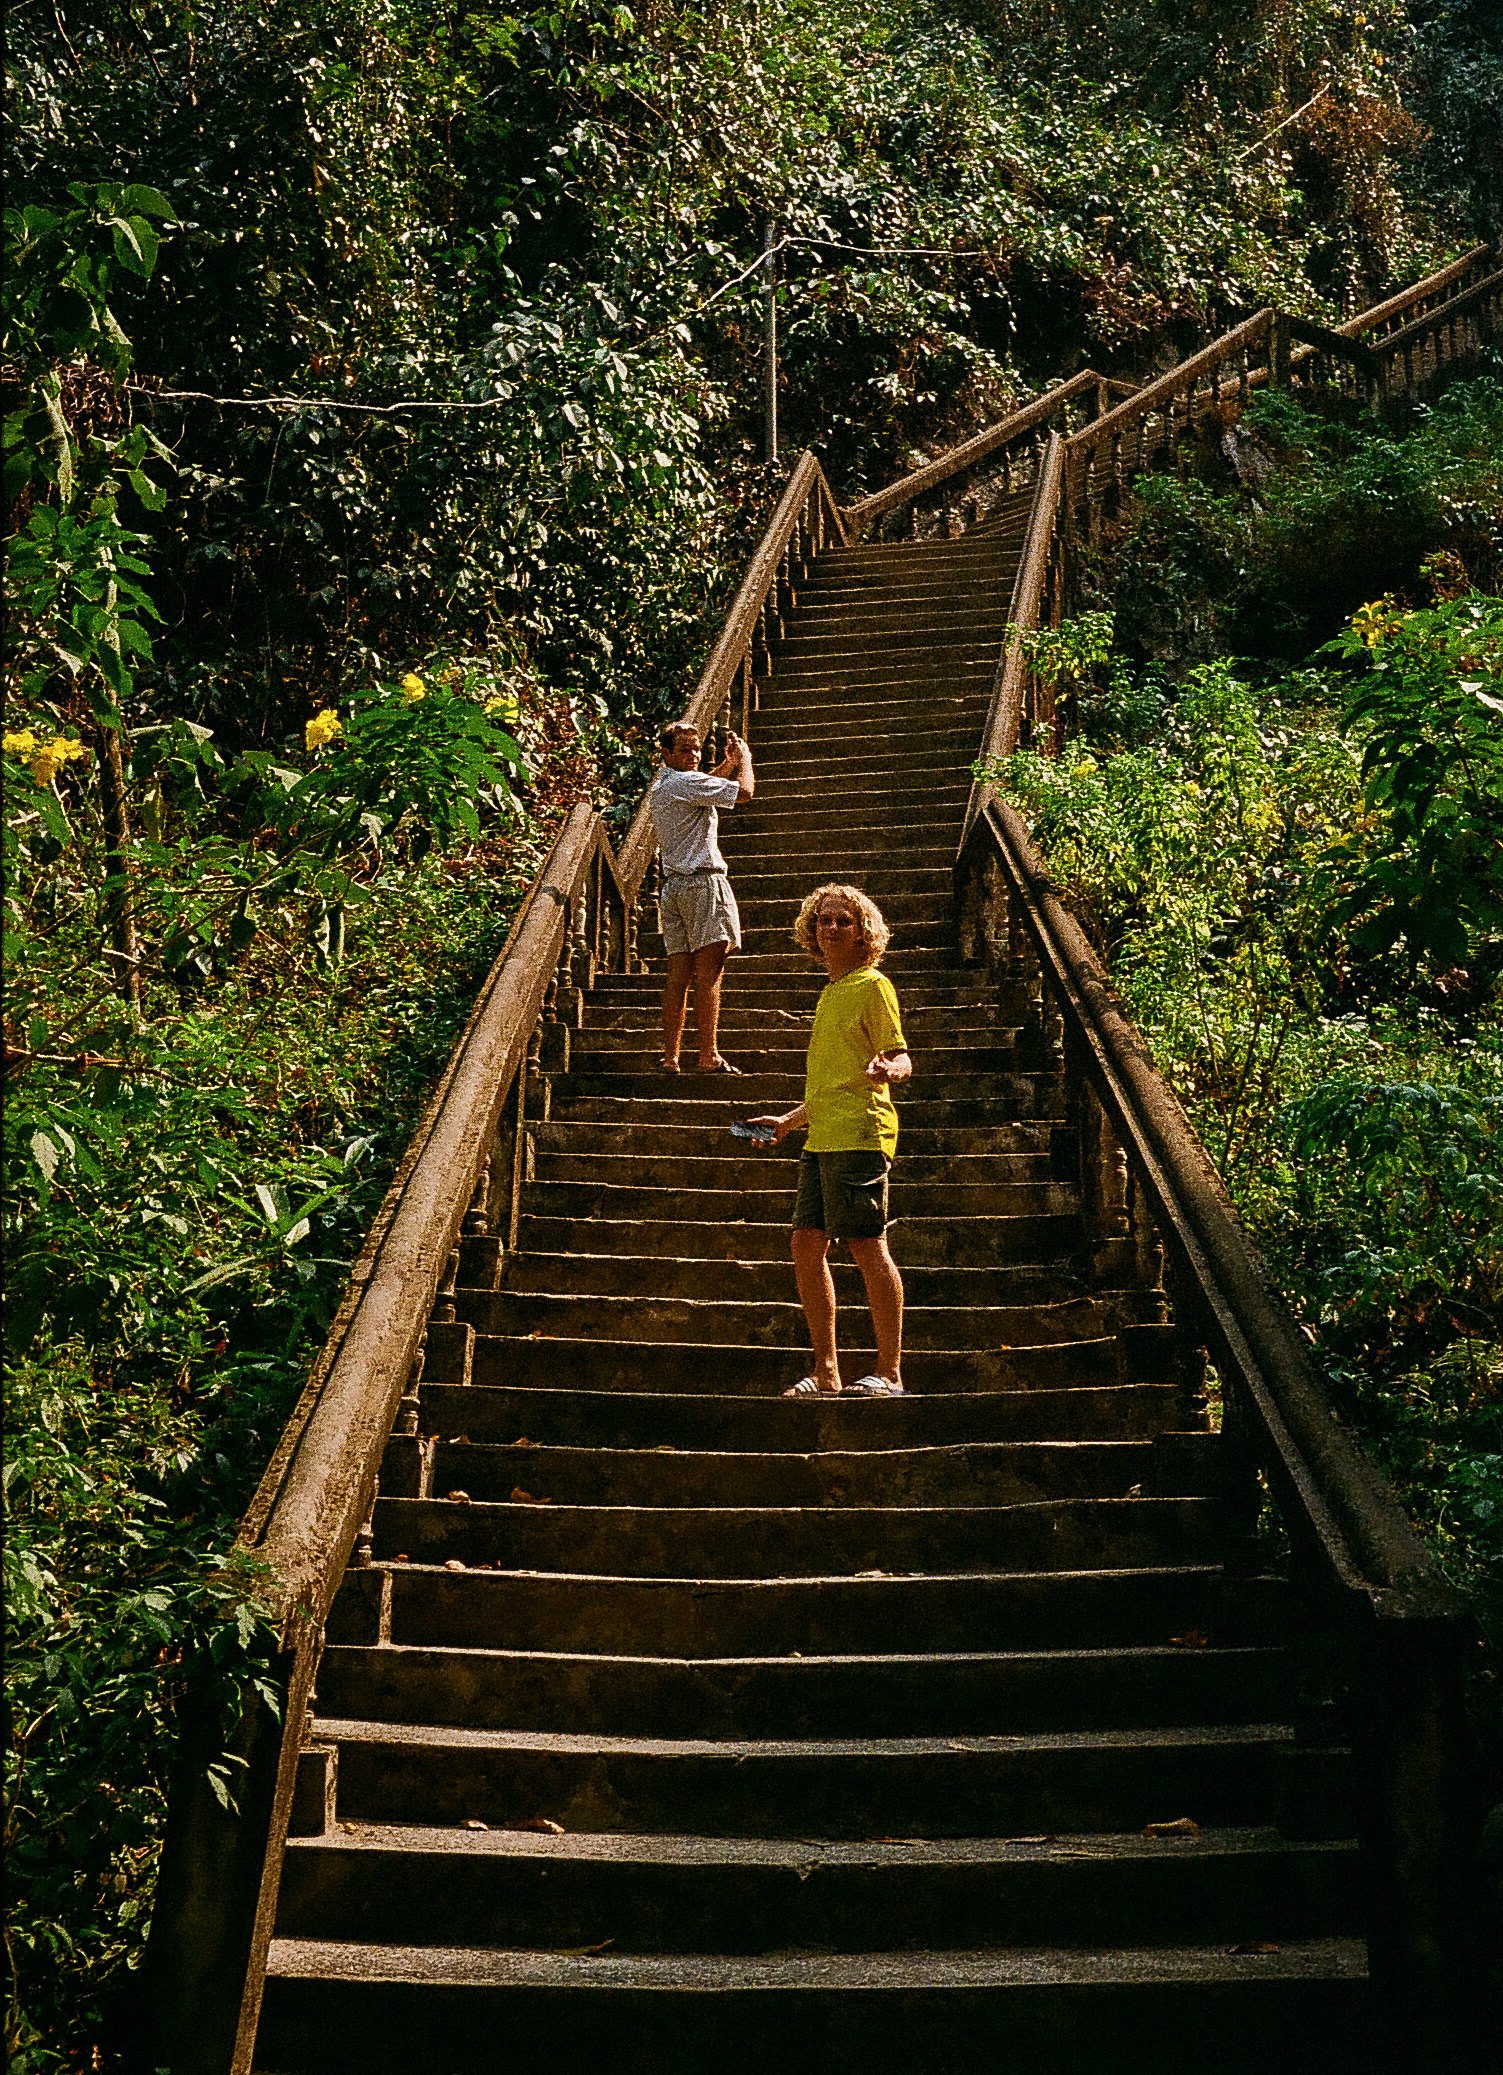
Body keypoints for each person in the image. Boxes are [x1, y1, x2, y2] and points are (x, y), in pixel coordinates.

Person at [750, 884, 912, 1398]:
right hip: (822, 1136)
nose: (832, 928)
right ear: (811, 931)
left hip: (862, 1133)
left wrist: (891, 1068)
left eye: (844, 920)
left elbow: (902, 1056)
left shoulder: (872, 985)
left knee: (866, 1243)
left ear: (864, 930)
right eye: (824, 920)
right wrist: (787, 1123)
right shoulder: (830, 991)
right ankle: (827, 1371)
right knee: (804, 1244)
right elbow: (833, 1083)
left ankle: (890, 1372)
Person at [648, 719, 755, 1074]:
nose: (694, 755)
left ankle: (671, 1057)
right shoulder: (683, 782)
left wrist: (727, 763)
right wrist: (746, 760)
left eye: (696, 748)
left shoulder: (666, 785)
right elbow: (744, 793)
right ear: (666, 753)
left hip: (674, 887)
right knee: (709, 972)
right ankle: (707, 1054)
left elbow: (703, 785)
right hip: (703, 884)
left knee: (678, 975)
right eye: (685, 750)